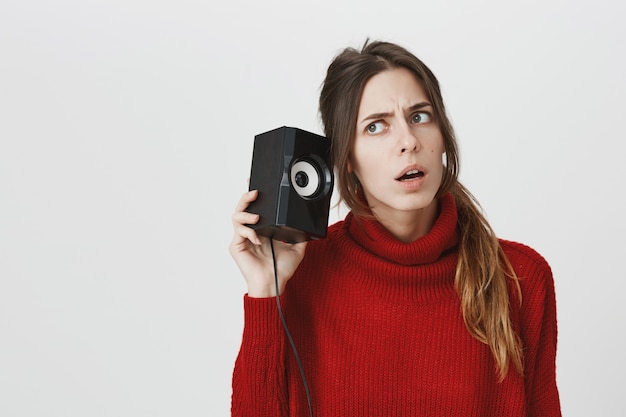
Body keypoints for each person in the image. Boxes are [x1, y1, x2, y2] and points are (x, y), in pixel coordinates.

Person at [229, 40, 561, 416]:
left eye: (420, 116)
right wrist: (265, 294)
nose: (408, 142)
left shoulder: (521, 278)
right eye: (376, 126)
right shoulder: (301, 275)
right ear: (346, 158)